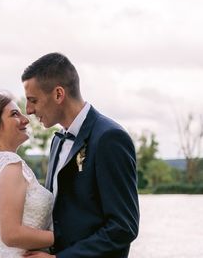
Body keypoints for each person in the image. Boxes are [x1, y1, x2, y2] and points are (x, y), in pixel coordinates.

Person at [21, 52, 139, 258]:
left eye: (33, 100)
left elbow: (123, 227)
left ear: (58, 94)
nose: (28, 110)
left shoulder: (109, 138)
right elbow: (55, 216)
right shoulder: (57, 141)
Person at [0, 92, 54, 257]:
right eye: (14, 114)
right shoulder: (9, 164)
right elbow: (11, 235)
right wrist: (66, 237)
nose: (25, 119)